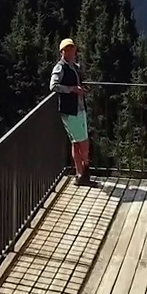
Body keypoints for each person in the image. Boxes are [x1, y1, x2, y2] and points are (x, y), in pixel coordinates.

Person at [50, 38, 98, 187]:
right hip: (71, 112)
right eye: (68, 49)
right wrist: (72, 90)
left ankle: (80, 175)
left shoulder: (73, 67)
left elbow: (76, 84)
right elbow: (53, 86)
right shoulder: (60, 68)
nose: (71, 52)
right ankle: (85, 172)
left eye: (72, 49)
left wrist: (81, 89)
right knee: (84, 143)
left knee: (77, 143)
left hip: (78, 109)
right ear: (62, 52)